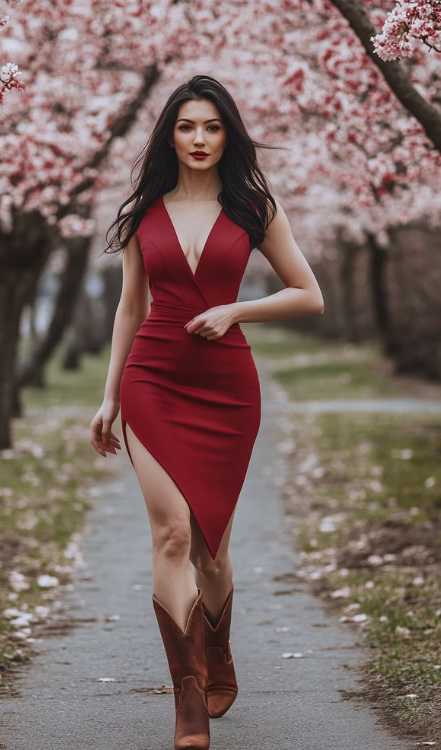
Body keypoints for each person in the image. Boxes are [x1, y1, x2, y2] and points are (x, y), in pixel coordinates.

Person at [90, 74, 324, 750]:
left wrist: (236, 309)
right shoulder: (142, 210)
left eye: (212, 127)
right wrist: (109, 395)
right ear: (170, 133)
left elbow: (309, 295)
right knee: (170, 536)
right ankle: (188, 698)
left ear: (229, 135)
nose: (199, 139)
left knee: (211, 549)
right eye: (187, 126)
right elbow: (130, 308)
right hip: (153, 379)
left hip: (227, 387)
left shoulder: (255, 209)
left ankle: (218, 654)